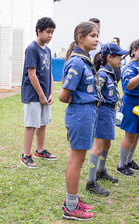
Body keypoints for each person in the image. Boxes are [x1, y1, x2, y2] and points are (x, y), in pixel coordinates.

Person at [59, 21, 100, 220]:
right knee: (76, 160)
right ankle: (71, 206)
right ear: (80, 37)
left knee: (80, 159)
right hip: (81, 114)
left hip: (87, 112)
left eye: (97, 35)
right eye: (92, 35)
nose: (97, 39)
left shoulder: (84, 60)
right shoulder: (76, 62)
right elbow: (63, 95)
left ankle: (72, 200)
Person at [85, 43, 128, 196]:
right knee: (98, 146)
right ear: (110, 57)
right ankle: (90, 182)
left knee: (107, 144)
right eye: (120, 57)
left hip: (109, 112)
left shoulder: (110, 72)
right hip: (102, 112)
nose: (121, 60)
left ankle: (100, 170)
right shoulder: (103, 74)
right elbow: (95, 93)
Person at [20, 17, 58, 169]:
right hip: (33, 95)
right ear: (39, 31)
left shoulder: (47, 50)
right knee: (31, 124)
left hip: (44, 96)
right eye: (48, 32)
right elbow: (32, 74)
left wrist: (50, 93)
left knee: (43, 123)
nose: (50, 35)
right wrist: (41, 95)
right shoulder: (32, 49)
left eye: (52, 33)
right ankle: (26, 155)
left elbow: (49, 73)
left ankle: (40, 151)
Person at [116, 39, 139, 176]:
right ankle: (121, 164)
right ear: (134, 50)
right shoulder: (130, 67)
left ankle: (129, 160)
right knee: (130, 135)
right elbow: (127, 86)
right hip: (131, 104)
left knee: (136, 134)